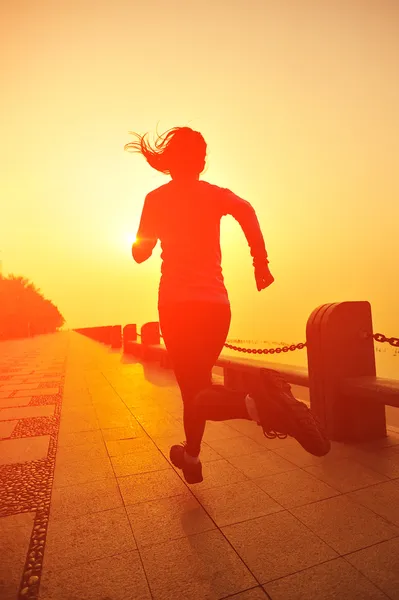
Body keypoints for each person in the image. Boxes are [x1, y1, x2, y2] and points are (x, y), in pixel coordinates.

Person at [125, 126, 330, 484]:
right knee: (198, 389)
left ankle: (262, 406)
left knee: (195, 391)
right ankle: (191, 457)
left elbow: (140, 254)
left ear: (171, 161)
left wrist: (145, 240)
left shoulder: (155, 198)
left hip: (177, 306)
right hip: (216, 306)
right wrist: (260, 262)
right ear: (201, 162)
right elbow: (246, 211)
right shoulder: (215, 195)